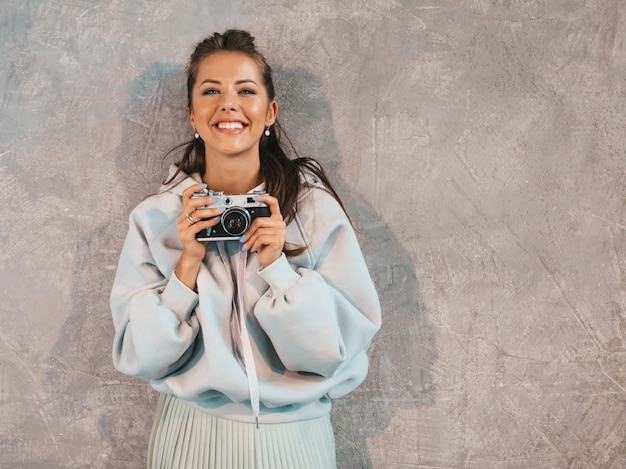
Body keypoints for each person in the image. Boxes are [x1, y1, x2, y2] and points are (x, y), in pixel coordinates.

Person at [110, 29, 381, 469]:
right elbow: (141, 356)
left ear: (270, 110)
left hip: (294, 440)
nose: (228, 104)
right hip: (189, 436)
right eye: (211, 91)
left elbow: (331, 354)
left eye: (246, 90)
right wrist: (187, 265)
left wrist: (279, 269)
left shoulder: (313, 213)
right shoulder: (156, 218)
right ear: (192, 116)